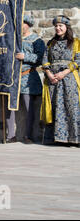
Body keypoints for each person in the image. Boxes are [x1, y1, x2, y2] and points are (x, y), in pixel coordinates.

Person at [4, 15, 46, 143]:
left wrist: (25, 56)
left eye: (22, 23)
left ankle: (28, 136)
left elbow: (40, 58)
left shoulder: (36, 40)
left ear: (28, 24)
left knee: (29, 108)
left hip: (28, 77)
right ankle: (10, 135)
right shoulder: (10, 38)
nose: (20, 26)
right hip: (11, 78)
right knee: (10, 107)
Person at [41, 15, 80, 145]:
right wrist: (49, 74)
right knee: (55, 106)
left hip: (69, 79)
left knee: (71, 106)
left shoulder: (75, 42)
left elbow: (78, 60)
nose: (58, 28)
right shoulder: (51, 43)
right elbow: (45, 60)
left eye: (60, 26)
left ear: (66, 27)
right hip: (53, 80)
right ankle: (57, 139)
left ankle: (73, 139)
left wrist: (64, 72)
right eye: (56, 26)